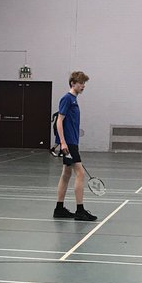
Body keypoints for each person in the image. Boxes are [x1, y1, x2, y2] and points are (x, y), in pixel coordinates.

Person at [53, 70, 97, 221]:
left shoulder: (74, 99)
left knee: (66, 174)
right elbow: (59, 121)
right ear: (73, 83)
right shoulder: (67, 98)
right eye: (81, 83)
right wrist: (62, 142)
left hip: (72, 142)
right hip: (69, 143)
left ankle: (59, 209)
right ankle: (80, 210)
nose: (83, 86)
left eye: (84, 83)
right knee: (80, 173)